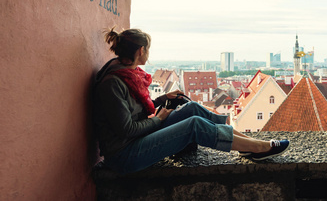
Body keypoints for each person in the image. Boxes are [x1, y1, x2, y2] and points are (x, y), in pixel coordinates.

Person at [93, 27, 289, 174]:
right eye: (148, 50)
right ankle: (258, 149)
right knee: (194, 125)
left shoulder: (126, 72)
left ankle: (249, 144)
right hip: (125, 155)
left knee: (193, 108)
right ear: (141, 51)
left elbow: (132, 109)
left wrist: (162, 98)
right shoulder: (113, 83)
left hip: (135, 140)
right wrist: (158, 119)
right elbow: (126, 129)